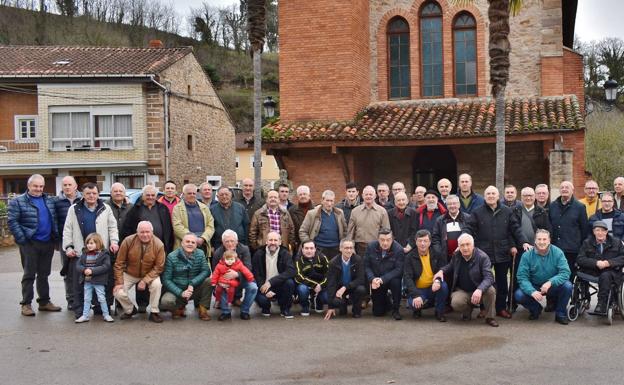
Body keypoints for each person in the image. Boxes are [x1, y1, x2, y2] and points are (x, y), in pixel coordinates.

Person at [466, 186, 530, 319]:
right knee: (484, 281)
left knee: (502, 283)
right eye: (488, 194)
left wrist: (523, 241)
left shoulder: (507, 211)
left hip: (502, 252)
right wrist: (464, 239)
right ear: (484, 196)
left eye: (493, 193)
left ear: (498, 196)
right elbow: (469, 228)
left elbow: (515, 228)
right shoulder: (477, 212)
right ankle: (484, 309)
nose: (490, 196)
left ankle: (501, 308)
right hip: (483, 254)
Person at [63, 182, 119, 318]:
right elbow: (67, 229)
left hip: (100, 253)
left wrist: (114, 242)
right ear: (83, 194)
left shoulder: (106, 208)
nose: (91, 196)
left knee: (101, 281)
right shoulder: (74, 209)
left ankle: (100, 308)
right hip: (80, 253)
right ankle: (80, 310)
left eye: (94, 193)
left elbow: (112, 227)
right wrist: (68, 247)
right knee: (80, 283)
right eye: (88, 193)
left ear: (98, 194)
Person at [8, 174, 61, 316]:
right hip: (29, 243)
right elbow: (12, 222)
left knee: (44, 274)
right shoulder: (17, 202)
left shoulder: (49, 200)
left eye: (41, 186)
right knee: (29, 274)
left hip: (47, 242)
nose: (38, 189)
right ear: (29, 186)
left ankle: (44, 302)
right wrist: (23, 239)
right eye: (35, 186)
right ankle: (26, 304)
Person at [433, 233, 498, 327]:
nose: (465, 248)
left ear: (473, 245)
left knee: (491, 290)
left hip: (479, 290)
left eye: (468, 244)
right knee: (456, 302)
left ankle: (490, 317)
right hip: (462, 290)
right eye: (462, 245)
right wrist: (441, 271)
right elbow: (450, 266)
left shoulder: (482, 257)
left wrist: (480, 289)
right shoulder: (457, 255)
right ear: (458, 247)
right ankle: (468, 310)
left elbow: (489, 277)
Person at [514, 229, 572, 324]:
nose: (542, 242)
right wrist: (531, 291)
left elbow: (565, 272)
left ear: (549, 240)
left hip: (552, 286)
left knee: (568, 286)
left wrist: (550, 282)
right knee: (519, 295)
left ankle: (560, 314)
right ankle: (536, 309)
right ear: (535, 241)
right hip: (534, 286)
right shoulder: (527, 255)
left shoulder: (558, 252)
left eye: (544, 239)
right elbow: (522, 277)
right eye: (539, 239)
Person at [113, 221, 165, 323]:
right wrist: (119, 282)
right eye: (141, 232)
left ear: (152, 232)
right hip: (130, 273)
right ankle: (130, 310)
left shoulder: (159, 244)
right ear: (137, 232)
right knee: (117, 292)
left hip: (150, 274)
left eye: (147, 232)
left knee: (157, 285)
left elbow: (159, 267)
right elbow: (119, 263)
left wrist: (145, 280)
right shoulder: (128, 241)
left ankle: (154, 312)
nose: (145, 235)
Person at [160, 233, 213, 321]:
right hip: (177, 289)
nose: (190, 244)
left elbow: (206, 271)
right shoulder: (171, 256)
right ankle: (178, 308)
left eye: (193, 242)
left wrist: (192, 284)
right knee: (166, 302)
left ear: (196, 245)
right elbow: (166, 279)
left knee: (209, 281)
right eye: (187, 241)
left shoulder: (200, 253)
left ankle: (203, 309)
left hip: (193, 288)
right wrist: (181, 292)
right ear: (182, 243)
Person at [577, 221, 624, 314]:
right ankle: (583, 300)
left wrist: (608, 263)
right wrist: (596, 263)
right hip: (593, 270)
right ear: (593, 232)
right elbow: (580, 259)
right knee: (578, 274)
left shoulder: (616, 242)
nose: (600, 233)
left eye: (603, 230)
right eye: (597, 230)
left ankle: (601, 304)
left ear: (607, 232)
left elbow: (622, 257)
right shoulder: (587, 242)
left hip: (611, 271)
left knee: (605, 276)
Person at [404, 230, 449, 322]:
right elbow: (407, 278)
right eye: (420, 241)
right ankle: (418, 309)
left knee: (443, 286)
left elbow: (442, 270)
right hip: (418, 289)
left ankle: (439, 312)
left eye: (425, 241)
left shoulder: (436, 254)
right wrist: (416, 295)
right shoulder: (409, 257)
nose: (422, 244)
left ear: (430, 242)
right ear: (416, 242)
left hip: (432, 287)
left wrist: (437, 280)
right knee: (413, 305)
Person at [211, 230, 257, 318]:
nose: (230, 243)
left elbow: (248, 268)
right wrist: (219, 282)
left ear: (237, 241)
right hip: (225, 279)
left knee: (253, 287)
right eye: (227, 241)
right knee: (223, 287)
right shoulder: (218, 253)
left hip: (242, 277)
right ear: (223, 242)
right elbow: (215, 271)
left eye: (232, 241)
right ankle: (226, 312)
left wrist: (236, 274)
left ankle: (245, 311)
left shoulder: (244, 249)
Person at [549, 181, 589, 279]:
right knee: (554, 276)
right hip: (555, 249)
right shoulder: (552, 206)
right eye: (562, 187)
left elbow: (584, 230)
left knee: (568, 277)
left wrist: (582, 249)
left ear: (572, 190)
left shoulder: (580, 207)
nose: (564, 189)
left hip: (572, 250)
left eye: (567, 187)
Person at [252, 231, 296, 318]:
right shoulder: (258, 254)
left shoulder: (285, 253)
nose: (273, 242)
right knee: (262, 300)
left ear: (280, 242)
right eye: (270, 240)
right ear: (266, 241)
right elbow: (256, 274)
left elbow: (291, 271)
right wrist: (264, 288)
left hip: (279, 285)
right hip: (263, 286)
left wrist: (271, 282)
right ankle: (266, 307)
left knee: (289, 283)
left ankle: (285, 309)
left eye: (275, 240)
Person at [365, 229, 405, 320]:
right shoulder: (370, 247)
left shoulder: (399, 249)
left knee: (396, 282)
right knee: (377, 313)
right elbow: (366, 266)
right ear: (378, 239)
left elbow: (399, 270)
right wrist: (372, 279)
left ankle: (396, 309)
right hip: (377, 280)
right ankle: (387, 301)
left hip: (391, 279)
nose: (385, 243)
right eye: (382, 240)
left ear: (392, 239)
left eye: (388, 240)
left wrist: (383, 279)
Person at [54, 175, 82, 310]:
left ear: (75, 186)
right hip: (64, 241)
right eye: (64, 185)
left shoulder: (83, 199)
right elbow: (54, 221)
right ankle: (71, 299)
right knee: (68, 271)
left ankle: (82, 298)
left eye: (69, 184)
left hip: (83, 240)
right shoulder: (56, 202)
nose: (67, 187)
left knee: (83, 270)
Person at [122, 184, 173, 254]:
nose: (150, 197)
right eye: (148, 195)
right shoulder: (135, 210)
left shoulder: (163, 208)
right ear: (143, 196)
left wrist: (168, 247)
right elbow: (127, 229)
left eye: (152, 195)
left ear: (156, 196)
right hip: (140, 249)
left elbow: (169, 229)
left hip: (160, 248)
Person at [75, 233, 114, 323]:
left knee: (101, 298)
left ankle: (106, 314)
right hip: (87, 281)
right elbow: (78, 265)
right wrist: (84, 270)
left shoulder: (104, 254)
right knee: (87, 298)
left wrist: (93, 271)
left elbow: (106, 266)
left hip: (99, 281)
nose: (89, 245)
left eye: (92, 243)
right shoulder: (84, 254)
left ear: (98, 243)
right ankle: (85, 315)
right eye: (88, 243)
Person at [324, 239, 366, 319]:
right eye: (346, 248)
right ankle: (343, 304)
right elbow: (331, 284)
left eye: (351, 248)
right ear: (340, 249)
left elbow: (361, 279)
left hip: (352, 287)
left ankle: (356, 311)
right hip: (339, 289)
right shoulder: (333, 263)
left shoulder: (358, 260)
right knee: (336, 303)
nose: (349, 250)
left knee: (361, 289)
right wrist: (330, 307)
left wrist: (345, 287)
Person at [299, 190, 347, 258]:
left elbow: (345, 231)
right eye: (327, 200)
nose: (329, 203)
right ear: (322, 200)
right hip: (319, 249)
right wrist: (310, 245)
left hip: (336, 249)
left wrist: (343, 244)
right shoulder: (312, 214)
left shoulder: (339, 213)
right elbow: (302, 231)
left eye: (331, 201)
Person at [347, 185, 391, 256]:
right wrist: (350, 248)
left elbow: (386, 231)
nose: (368, 196)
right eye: (366, 194)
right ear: (362, 195)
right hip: (359, 248)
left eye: (370, 194)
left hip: (376, 247)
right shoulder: (355, 211)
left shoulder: (382, 211)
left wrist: (384, 248)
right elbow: (350, 232)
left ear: (375, 196)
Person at [172, 183, 214, 254]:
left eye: (194, 193)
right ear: (183, 194)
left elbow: (210, 225)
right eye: (189, 193)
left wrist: (203, 238)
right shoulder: (177, 208)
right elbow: (177, 227)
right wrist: (193, 239)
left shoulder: (204, 208)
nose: (192, 195)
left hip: (202, 244)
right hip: (185, 245)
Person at [431, 195, 471, 263]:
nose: (452, 206)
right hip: (446, 258)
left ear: (459, 204)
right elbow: (435, 238)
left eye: (454, 203)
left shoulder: (468, 218)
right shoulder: (440, 220)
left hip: (464, 256)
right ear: (446, 205)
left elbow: (472, 235)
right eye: (449, 204)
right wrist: (439, 252)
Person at [294, 240, 330, 315]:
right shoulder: (297, 259)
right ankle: (305, 306)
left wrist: (321, 285)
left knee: (326, 298)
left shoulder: (322, 257)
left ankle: (318, 302)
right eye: (306, 248)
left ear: (315, 249)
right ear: (302, 249)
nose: (309, 251)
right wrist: (314, 285)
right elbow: (298, 277)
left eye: (311, 248)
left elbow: (329, 274)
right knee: (302, 289)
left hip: (320, 285)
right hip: (305, 285)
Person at [288, 185, 314, 250]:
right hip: (298, 245)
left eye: (304, 194)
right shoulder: (292, 210)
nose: (302, 196)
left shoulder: (316, 209)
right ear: (297, 197)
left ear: (309, 195)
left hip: (314, 244)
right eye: (300, 194)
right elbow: (290, 228)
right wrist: (293, 243)